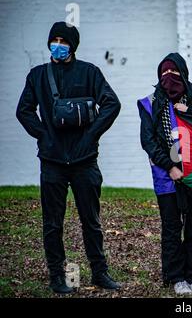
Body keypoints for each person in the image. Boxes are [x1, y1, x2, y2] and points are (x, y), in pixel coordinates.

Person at [16, 22, 121, 294]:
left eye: (64, 40)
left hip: (84, 161)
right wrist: (43, 135)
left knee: (92, 221)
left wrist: (91, 136)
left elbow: (112, 103)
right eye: (55, 40)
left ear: (73, 45)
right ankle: (56, 276)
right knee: (52, 223)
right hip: (52, 162)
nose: (58, 45)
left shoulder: (89, 73)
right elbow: (24, 110)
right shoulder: (38, 75)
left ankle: (100, 273)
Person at [138, 53, 192, 296]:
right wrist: (170, 167)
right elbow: (148, 142)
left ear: (183, 74)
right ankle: (176, 277)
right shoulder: (150, 103)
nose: (168, 79)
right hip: (167, 176)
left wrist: (191, 112)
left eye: (174, 73)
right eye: (164, 74)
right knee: (171, 227)